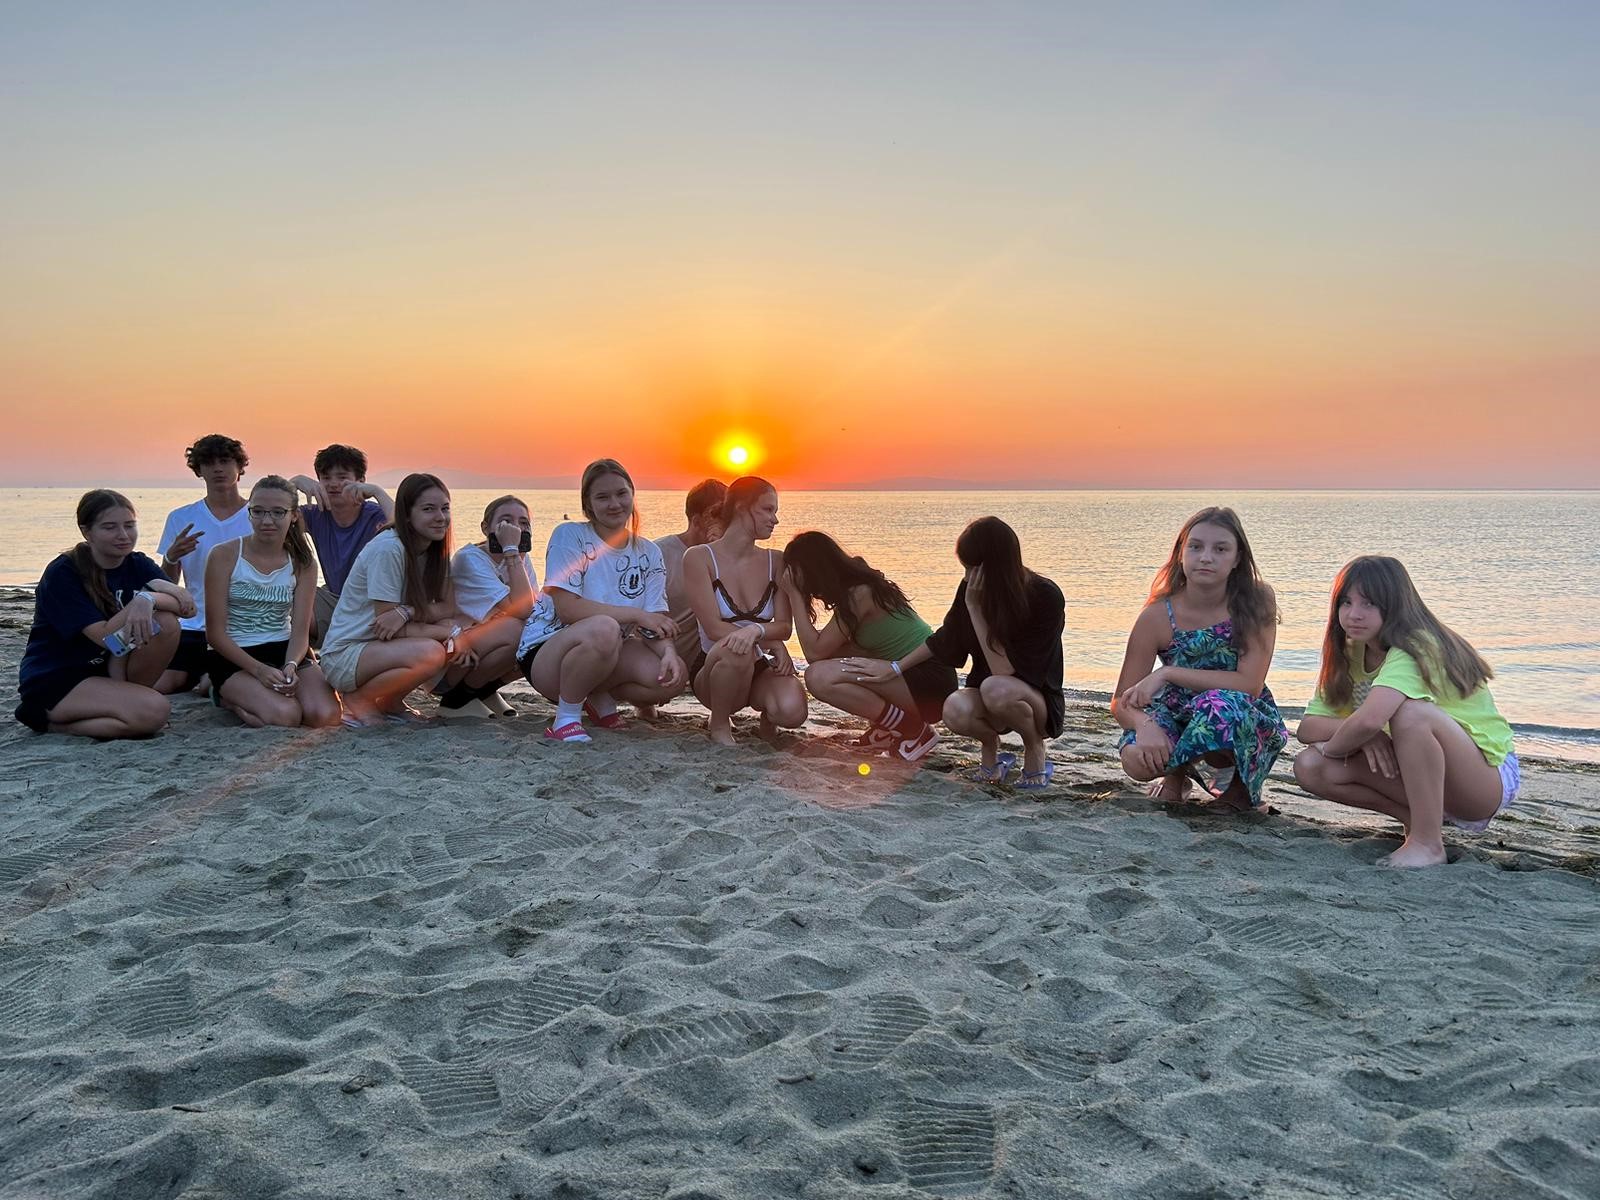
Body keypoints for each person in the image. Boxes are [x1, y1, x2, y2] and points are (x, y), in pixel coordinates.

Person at [1292, 555, 1518, 869]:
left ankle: (1428, 844)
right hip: (1423, 776)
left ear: (1395, 604)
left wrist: (1340, 744)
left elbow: (1370, 719)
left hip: (1483, 780)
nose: (1354, 614)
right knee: (1309, 765)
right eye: (1346, 602)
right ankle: (1417, 821)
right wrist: (1366, 737)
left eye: (1369, 603)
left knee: (1412, 713)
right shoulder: (1350, 650)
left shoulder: (1417, 645)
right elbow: (1308, 728)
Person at [845, 516, 1064, 788]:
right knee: (954, 708)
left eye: (972, 568)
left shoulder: (1045, 596)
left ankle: (1034, 747)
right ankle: (991, 747)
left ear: (994, 566)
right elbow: (946, 638)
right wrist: (896, 667)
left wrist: (975, 609)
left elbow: (1006, 671)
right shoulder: (973, 589)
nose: (967, 577)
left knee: (997, 688)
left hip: (1036, 701)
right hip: (991, 695)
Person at [1111, 507, 1288, 811]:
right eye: (1195, 547)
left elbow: (1249, 684)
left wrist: (1166, 674)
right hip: (1178, 710)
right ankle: (1176, 776)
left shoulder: (1255, 601)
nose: (1206, 557)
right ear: (1181, 553)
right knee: (1137, 757)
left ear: (1237, 558)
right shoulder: (1156, 616)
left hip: (1241, 713)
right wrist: (1144, 724)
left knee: (1216, 708)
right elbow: (1120, 700)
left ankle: (1240, 790)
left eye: (1220, 549)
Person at [515, 458, 686, 743]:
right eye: (603, 497)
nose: (614, 504)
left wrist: (668, 650)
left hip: (607, 648)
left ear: (632, 494)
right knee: (604, 627)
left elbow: (653, 621)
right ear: (588, 504)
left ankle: (595, 694)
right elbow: (568, 610)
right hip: (547, 653)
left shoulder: (649, 552)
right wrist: (636, 615)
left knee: (671, 676)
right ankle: (566, 718)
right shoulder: (570, 535)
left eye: (621, 493)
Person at [319, 473, 507, 726]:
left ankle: (390, 702)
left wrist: (408, 613)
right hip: (348, 654)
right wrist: (450, 632)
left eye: (445, 508)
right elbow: (388, 627)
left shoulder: (433, 549)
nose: (440, 517)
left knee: (455, 633)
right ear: (406, 514)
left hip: (381, 649)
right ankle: (358, 699)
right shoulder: (389, 549)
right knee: (431, 652)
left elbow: (447, 606)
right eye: (428, 509)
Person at [15, 489, 194, 738]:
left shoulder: (137, 563)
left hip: (109, 669)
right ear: (86, 532)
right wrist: (142, 599)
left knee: (166, 622)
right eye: (110, 527)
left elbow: (188, 609)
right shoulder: (64, 572)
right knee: (155, 712)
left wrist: (149, 598)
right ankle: (50, 722)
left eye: (129, 525)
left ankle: (131, 702)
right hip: (59, 676)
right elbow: (104, 637)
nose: (123, 535)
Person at [780, 530, 955, 761]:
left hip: (930, 680)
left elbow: (814, 653)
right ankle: (888, 728)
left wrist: (794, 595)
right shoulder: (859, 588)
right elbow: (828, 652)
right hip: (915, 676)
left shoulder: (859, 594)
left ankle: (913, 729)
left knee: (818, 677)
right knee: (830, 666)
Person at [203, 476, 341, 728]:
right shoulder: (223, 555)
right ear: (249, 513)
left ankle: (268, 692)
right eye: (258, 511)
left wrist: (291, 665)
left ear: (294, 515)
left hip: (284, 649)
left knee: (325, 716)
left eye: (278, 512)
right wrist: (259, 671)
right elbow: (215, 635)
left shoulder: (303, 562)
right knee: (286, 716)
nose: (267, 521)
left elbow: (300, 631)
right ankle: (224, 697)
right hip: (235, 655)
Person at [683, 477, 807, 745]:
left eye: (775, 511)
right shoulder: (699, 558)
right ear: (741, 507)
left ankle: (768, 718)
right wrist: (768, 640)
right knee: (735, 649)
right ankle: (719, 724)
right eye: (767, 509)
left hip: (757, 666)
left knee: (792, 710)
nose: (775, 519)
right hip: (714, 668)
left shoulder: (776, 560)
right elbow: (714, 628)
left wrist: (758, 632)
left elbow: (785, 627)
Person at [156, 433, 254, 693]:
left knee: (213, 684)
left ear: (240, 466)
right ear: (199, 470)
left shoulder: (258, 516)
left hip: (244, 626)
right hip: (194, 624)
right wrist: (171, 556)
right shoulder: (181, 518)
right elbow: (168, 583)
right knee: (165, 684)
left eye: (225, 461)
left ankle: (211, 680)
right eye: (209, 463)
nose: (218, 469)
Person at [289, 444, 393, 644]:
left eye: (342, 477)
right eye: (326, 478)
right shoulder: (314, 513)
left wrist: (377, 492)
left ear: (360, 481)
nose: (333, 484)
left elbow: (407, 530)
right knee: (281, 597)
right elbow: (270, 520)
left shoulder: (375, 514)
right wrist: (293, 484)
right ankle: (303, 653)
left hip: (371, 603)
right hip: (332, 598)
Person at [447, 495, 540, 717]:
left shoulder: (519, 557)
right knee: (518, 631)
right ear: (485, 528)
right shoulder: (470, 558)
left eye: (523, 522)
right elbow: (522, 610)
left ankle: (483, 691)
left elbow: (534, 609)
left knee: (538, 634)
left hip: (483, 642)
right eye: (506, 521)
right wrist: (511, 550)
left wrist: (514, 554)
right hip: (455, 650)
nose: (515, 529)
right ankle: (456, 700)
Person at [652, 478, 729, 688]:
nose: (726, 524)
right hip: (658, 654)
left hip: (703, 658)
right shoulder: (659, 554)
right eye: (718, 517)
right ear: (696, 521)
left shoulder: (728, 558)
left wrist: (721, 554)